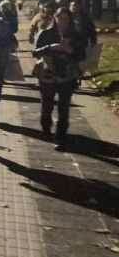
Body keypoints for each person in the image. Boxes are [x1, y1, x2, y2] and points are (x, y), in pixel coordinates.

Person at [33, 8, 86, 150]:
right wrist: (50, 47)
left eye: (66, 19)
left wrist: (71, 51)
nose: (63, 22)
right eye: (60, 18)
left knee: (64, 108)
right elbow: (36, 52)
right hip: (48, 74)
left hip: (66, 75)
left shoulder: (75, 35)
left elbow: (82, 55)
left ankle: (60, 137)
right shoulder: (46, 33)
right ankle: (46, 129)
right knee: (47, 105)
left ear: (70, 20)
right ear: (55, 19)